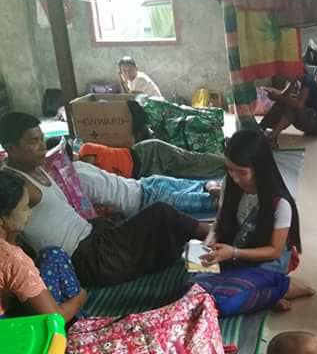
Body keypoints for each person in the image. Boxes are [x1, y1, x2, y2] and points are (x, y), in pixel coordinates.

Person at [0, 112, 209, 287]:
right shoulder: (13, 185)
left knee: (169, 234)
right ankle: (217, 241)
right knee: (161, 213)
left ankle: (207, 263)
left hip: (94, 237)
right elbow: (8, 231)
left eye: (41, 139)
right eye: (33, 142)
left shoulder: (37, 168)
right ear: (11, 149)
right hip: (88, 259)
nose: (42, 146)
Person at [199, 129, 314, 310]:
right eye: (230, 170)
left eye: (242, 172)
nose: (235, 177)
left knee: (220, 302)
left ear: (260, 169)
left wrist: (234, 252)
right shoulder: (230, 184)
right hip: (237, 253)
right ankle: (263, 294)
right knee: (195, 288)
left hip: (266, 264)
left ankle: (284, 289)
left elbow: (274, 251)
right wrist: (209, 242)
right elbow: (220, 220)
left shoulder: (280, 203)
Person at [0, 170, 86, 322]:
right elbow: (54, 318)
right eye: (25, 207)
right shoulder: (13, 259)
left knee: (51, 255)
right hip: (9, 331)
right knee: (56, 256)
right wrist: (80, 298)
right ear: (2, 218)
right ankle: (79, 325)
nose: (30, 212)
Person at [74, 161, 219, 216]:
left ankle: (219, 192)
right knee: (200, 185)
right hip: (147, 182)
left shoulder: (74, 186)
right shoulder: (79, 165)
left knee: (211, 202)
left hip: (149, 199)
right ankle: (214, 186)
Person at [78, 139, 227, 179]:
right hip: (144, 172)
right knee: (188, 172)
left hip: (147, 154)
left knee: (190, 160)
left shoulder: (85, 150)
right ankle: (224, 169)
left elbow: (91, 168)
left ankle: (227, 161)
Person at [259, 74, 317, 149]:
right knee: (283, 102)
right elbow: (283, 96)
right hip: (305, 118)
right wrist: (275, 95)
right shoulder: (295, 81)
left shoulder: (307, 81)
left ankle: (272, 137)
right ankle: (261, 127)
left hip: (316, 124)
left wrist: (279, 97)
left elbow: (299, 105)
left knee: (292, 106)